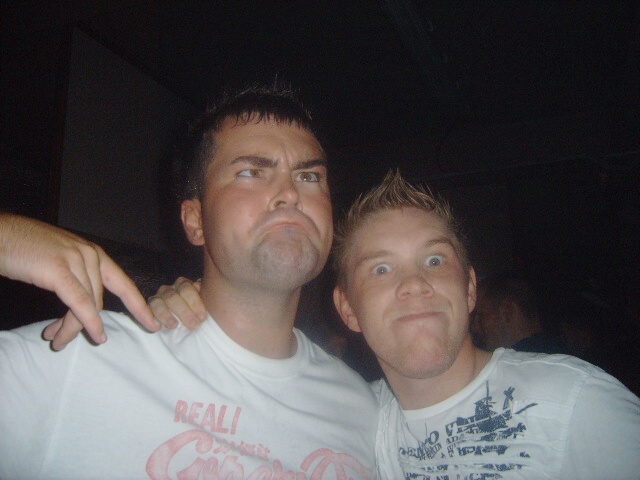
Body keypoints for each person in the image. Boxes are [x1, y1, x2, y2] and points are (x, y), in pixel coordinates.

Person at [153, 171, 640, 478]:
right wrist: (183, 310)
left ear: (470, 288)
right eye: (381, 269)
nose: (414, 284)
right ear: (348, 310)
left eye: (435, 260)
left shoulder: (576, 403)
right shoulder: (353, 419)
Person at [0, 84, 377, 479]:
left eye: (309, 176)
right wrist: (7, 239)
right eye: (251, 172)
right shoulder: (85, 360)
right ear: (196, 221)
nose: (289, 193)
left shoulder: (364, 413)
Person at [471, 275, 569, 354]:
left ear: (507, 311)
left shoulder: (519, 363)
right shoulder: (557, 351)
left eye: (481, 317)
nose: (475, 328)